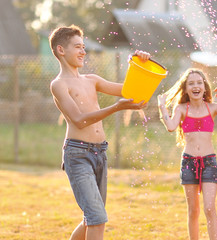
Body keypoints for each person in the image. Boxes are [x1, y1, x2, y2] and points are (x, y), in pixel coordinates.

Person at [49, 25, 149, 240]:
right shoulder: (58, 85)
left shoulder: (92, 80)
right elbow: (79, 120)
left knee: (91, 219)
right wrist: (116, 108)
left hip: (99, 154)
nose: (83, 51)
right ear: (61, 50)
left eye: (84, 47)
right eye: (78, 47)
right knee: (97, 218)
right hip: (78, 155)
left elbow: (129, 90)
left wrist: (139, 64)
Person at [157, 68, 217, 240]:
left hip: (209, 162)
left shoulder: (213, 107)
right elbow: (171, 126)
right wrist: (162, 107)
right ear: (186, 89)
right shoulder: (181, 108)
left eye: (199, 83)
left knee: (209, 208)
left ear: (205, 87)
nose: (195, 86)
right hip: (188, 162)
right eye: (191, 83)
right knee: (193, 210)